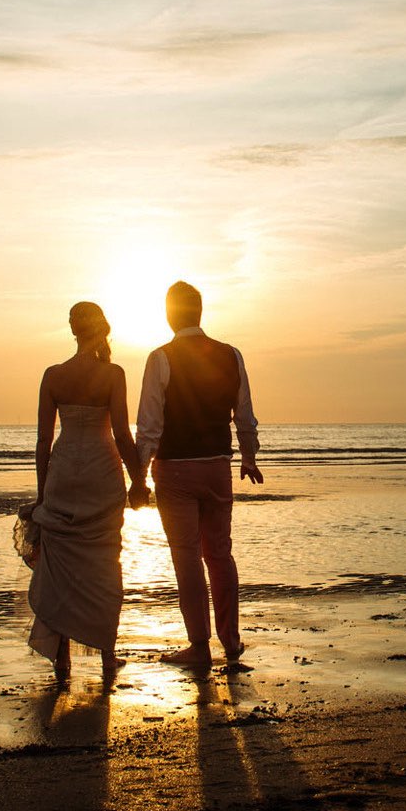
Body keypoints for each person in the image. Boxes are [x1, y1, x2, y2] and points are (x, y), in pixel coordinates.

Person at [136, 281, 262, 667]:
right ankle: (231, 641)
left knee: (187, 558)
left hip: (174, 471)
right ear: (201, 312)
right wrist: (249, 458)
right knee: (220, 555)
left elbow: (149, 425)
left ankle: (199, 647)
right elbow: (245, 414)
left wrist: (138, 476)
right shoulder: (231, 355)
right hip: (218, 468)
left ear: (170, 315)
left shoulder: (161, 358)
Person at [28, 302, 148, 684]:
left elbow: (44, 440)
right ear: (102, 330)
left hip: (63, 471)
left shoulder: (53, 375)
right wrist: (138, 480)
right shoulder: (112, 374)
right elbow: (121, 434)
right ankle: (108, 656)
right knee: (102, 564)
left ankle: (61, 659)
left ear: (73, 329)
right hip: (100, 471)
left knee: (60, 566)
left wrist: (42, 494)